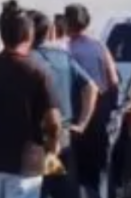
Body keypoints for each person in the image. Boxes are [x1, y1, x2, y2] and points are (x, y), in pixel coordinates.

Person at [0, 0, 63, 198]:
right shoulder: (37, 72)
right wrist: (52, 151)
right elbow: (54, 123)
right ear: (29, 35)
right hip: (27, 166)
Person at [28, 10, 98, 198]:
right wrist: (82, 123)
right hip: (61, 138)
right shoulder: (62, 57)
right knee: (63, 191)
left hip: (34, 142)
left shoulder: (25, 61)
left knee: (36, 191)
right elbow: (91, 87)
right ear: (48, 31)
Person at [63, 4, 119, 198]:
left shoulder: (66, 49)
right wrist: (112, 107)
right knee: (95, 166)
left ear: (66, 23)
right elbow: (113, 79)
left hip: (75, 114)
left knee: (70, 166)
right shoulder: (99, 46)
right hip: (99, 115)